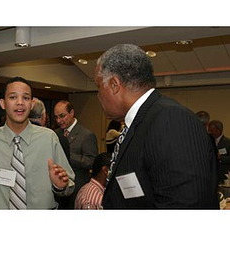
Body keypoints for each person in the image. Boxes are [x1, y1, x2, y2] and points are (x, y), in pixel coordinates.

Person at [94, 43, 219, 209]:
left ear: (114, 85)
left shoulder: (170, 119)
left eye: (98, 86)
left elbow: (185, 206)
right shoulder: (142, 121)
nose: (98, 95)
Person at [0, 76, 75, 209]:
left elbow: (69, 183)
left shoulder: (49, 138)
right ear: (3, 103)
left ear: (31, 104)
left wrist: (60, 186)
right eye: (13, 97)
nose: (20, 102)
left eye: (25, 98)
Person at [54, 100, 98, 208]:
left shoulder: (86, 135)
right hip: (58, 188)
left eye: (62, 116)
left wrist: (67, 156)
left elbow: (92, 162)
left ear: (72, 113)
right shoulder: (55, 134)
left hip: (77, 187)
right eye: (56, 117)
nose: (59, 120)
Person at [208, 120, 230, 184]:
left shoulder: (228, 143)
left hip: (223, 176)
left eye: (211, 130)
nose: (209, 132)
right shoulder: (208, 142)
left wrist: (221, 158)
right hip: (210, 176)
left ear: (219, 130)